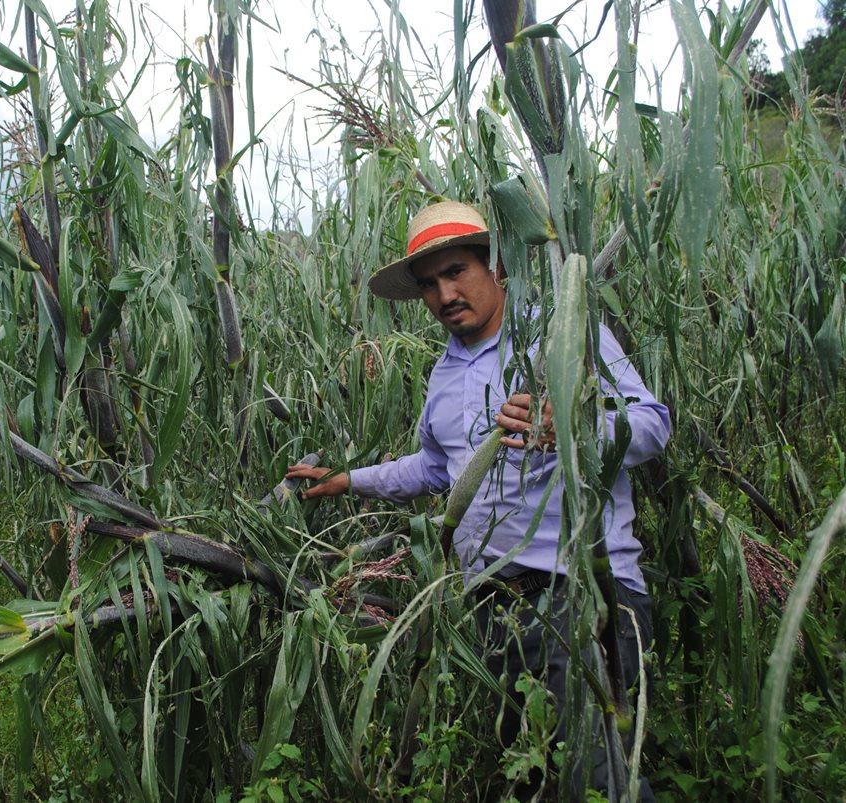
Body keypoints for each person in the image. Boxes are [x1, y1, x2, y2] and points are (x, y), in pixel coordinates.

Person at [286, 200, 671, 800]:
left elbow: (652, 425)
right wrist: (348, 481)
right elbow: (439, 469)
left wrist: (567, 424)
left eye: (457, 271)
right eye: (429, 284)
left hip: (582, 593)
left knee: (598, 780)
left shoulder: (562, 332)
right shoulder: (443, 374)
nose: (444, 294)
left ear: (498, 267)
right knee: (531, 778)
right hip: (492, 607)